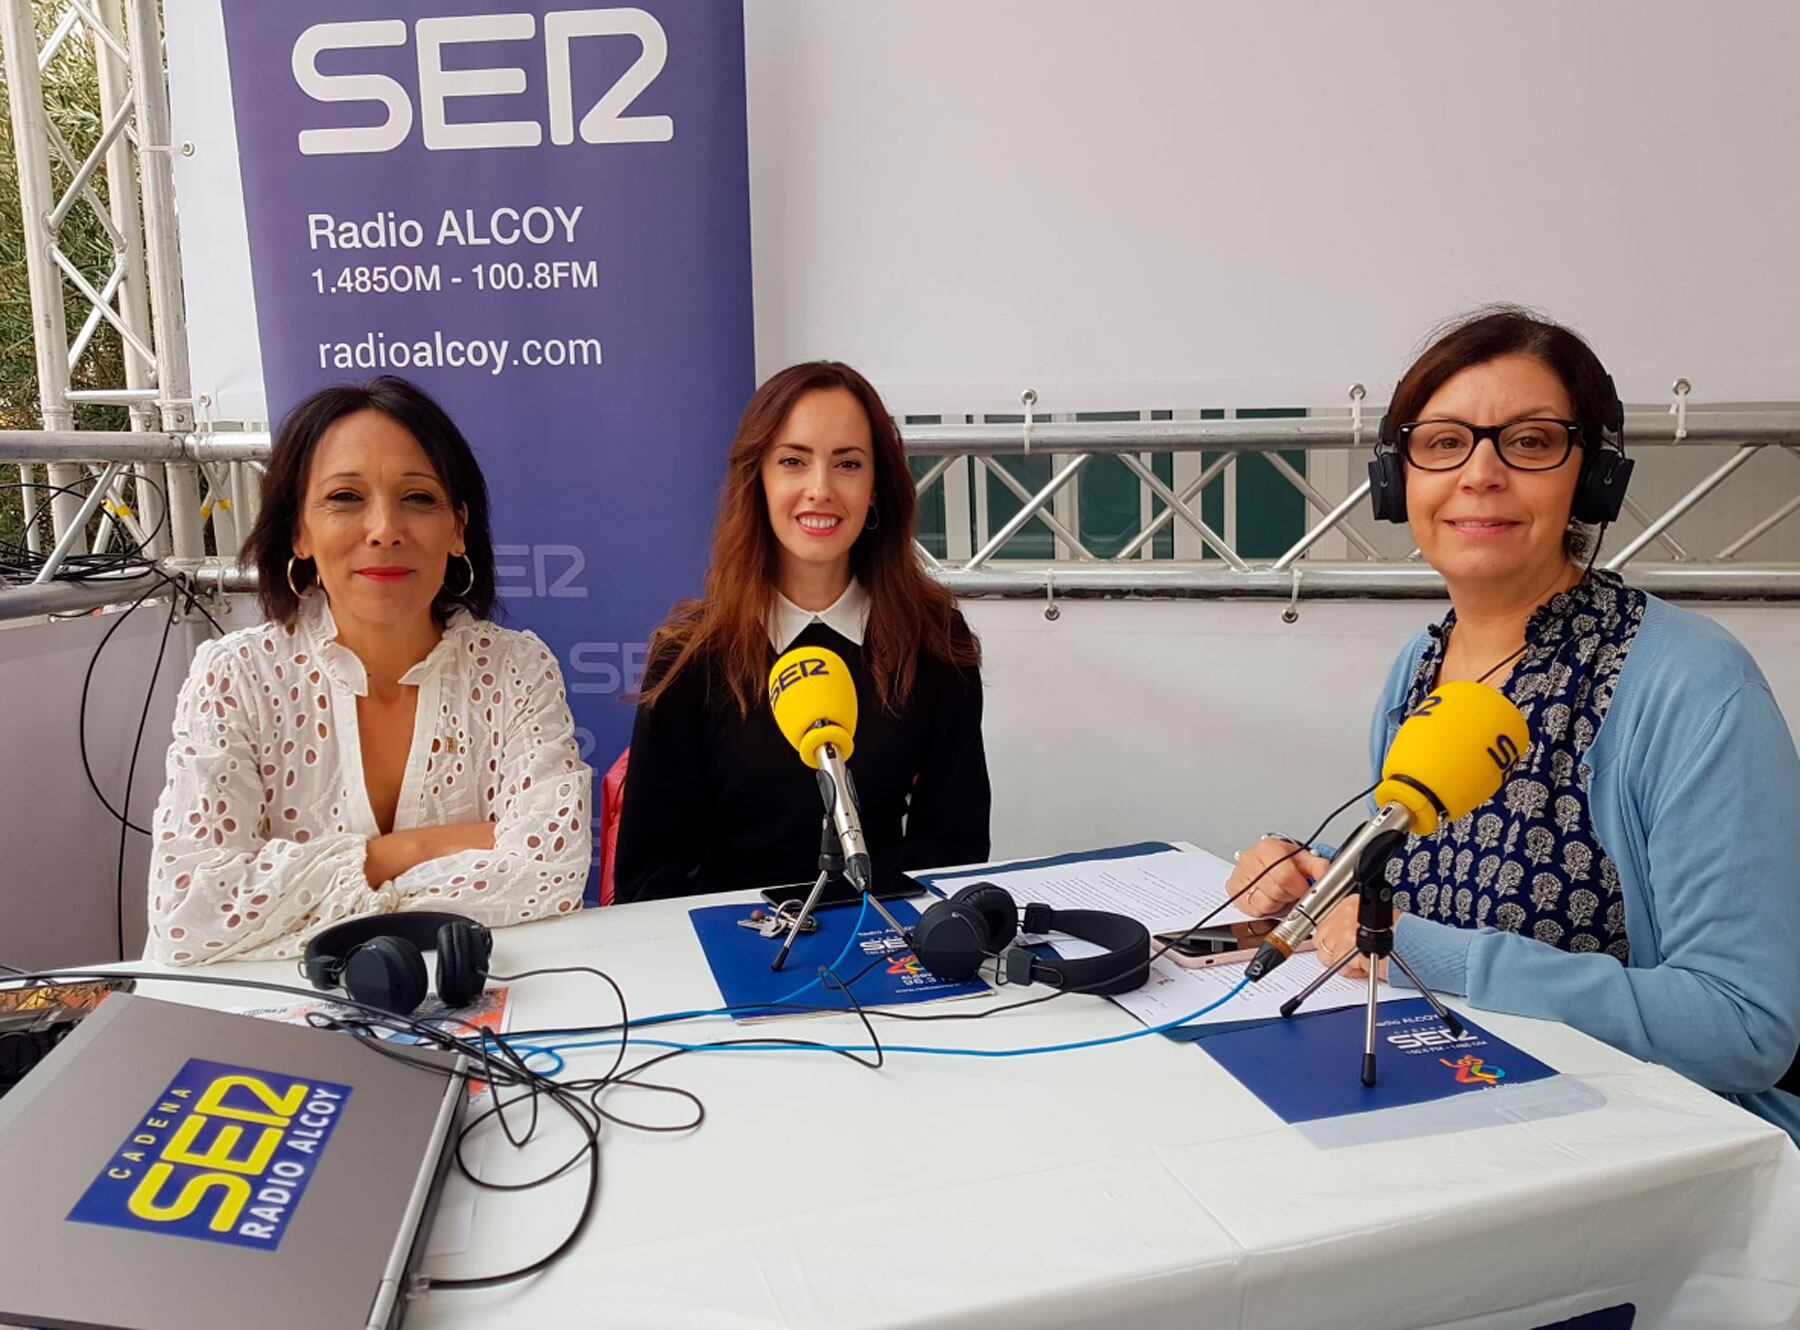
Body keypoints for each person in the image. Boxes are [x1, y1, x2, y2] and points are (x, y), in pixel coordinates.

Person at [1228, 307, 1800, 1140]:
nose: (1480, 474)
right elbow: (1425, 900)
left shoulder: (1689, 684)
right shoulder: (1415, 671)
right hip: (1459, 1102)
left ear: (1592, 476)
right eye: (1443, 441)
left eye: (1529, 443)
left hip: (1654, 1147)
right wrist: (1316, 891)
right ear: (1400, 479)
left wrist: (1438, 956)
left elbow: (1742, 1027)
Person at [147, 377, 590, 964]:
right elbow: (190, 913)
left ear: (458, 529)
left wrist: (287, 906)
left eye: (418, 498)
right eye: (345, 498)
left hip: (470, 1010)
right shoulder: (235, 676)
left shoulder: (516, 669)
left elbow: (551, 877)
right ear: (299, 531)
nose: (384, 529)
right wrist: (394, 854)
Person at [615, 361, 989, 901]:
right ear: (758, 479)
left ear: (877, 485)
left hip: (882, 934)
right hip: (731, 951)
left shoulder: (932, 638)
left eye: (848, 464)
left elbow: (957, 846)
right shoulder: (690, 654)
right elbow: (649, 877)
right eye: (793, 461)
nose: (820, 488)